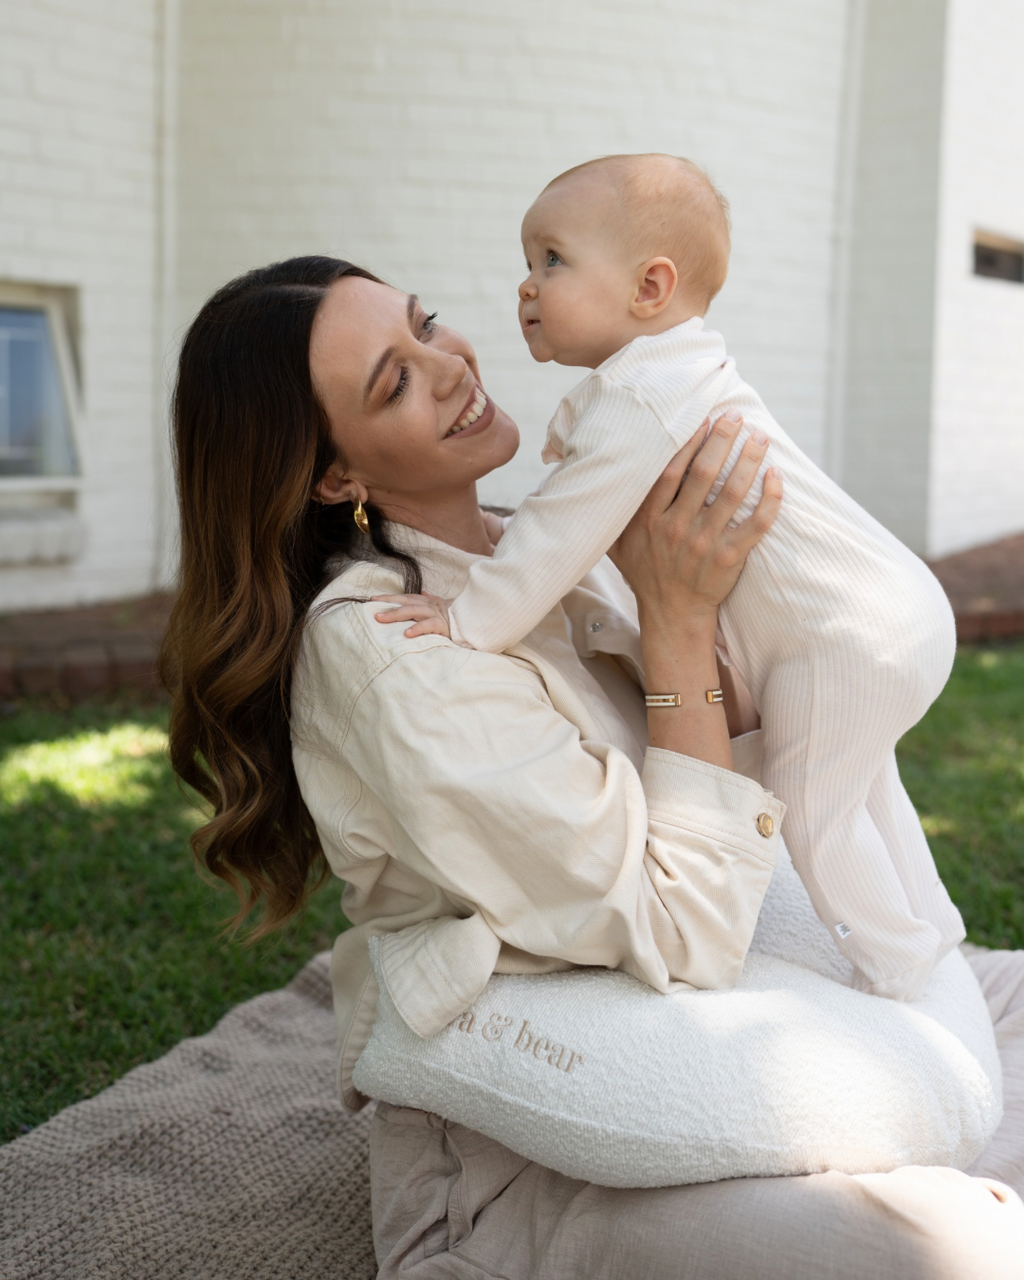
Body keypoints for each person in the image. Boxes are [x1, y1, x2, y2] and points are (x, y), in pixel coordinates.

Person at [160, 256, 1024, 1278]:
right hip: (540, 1132)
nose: (447, 365)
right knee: (954, 1246)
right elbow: (685, 923)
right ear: (335, 476)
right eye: (393, 380)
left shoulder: (543, 534)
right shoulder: (388, 650)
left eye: (426, 324)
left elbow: (745, 781)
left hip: (692, 995)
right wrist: (676, 621)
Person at [374, 153, 965, 1002]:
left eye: (553, 260)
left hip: (851, 635)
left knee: (814, 798)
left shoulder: (639, 401)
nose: (526, 288)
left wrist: (469, 620)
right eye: (528, 262)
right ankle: (933, 930)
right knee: (864, 782)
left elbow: (554, 533)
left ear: (649, 289)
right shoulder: (674, 375)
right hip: (893, 610)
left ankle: (898, 974)